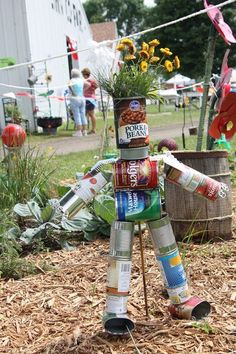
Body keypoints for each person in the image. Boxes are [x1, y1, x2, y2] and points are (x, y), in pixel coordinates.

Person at [68, 68, 89, 137]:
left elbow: (69, 85)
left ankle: (79, 131)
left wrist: (73, 92)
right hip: (82, 98)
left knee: (76, 115)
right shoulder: (81, 80)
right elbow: (88, 84)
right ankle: (85, 131)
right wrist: (83, 90)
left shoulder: (71, 80)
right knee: (83, 114)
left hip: (74, 99)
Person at [81, 68, 98, 134]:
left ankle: (87, 129)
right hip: (91, 98)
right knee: (91, 114)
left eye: (83, 74)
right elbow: (96, 86)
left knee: (88, 114)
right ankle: (92, 129)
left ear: (85, 74)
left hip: (88, 99)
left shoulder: (88, 80)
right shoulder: (92, 80)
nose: (82, 76)